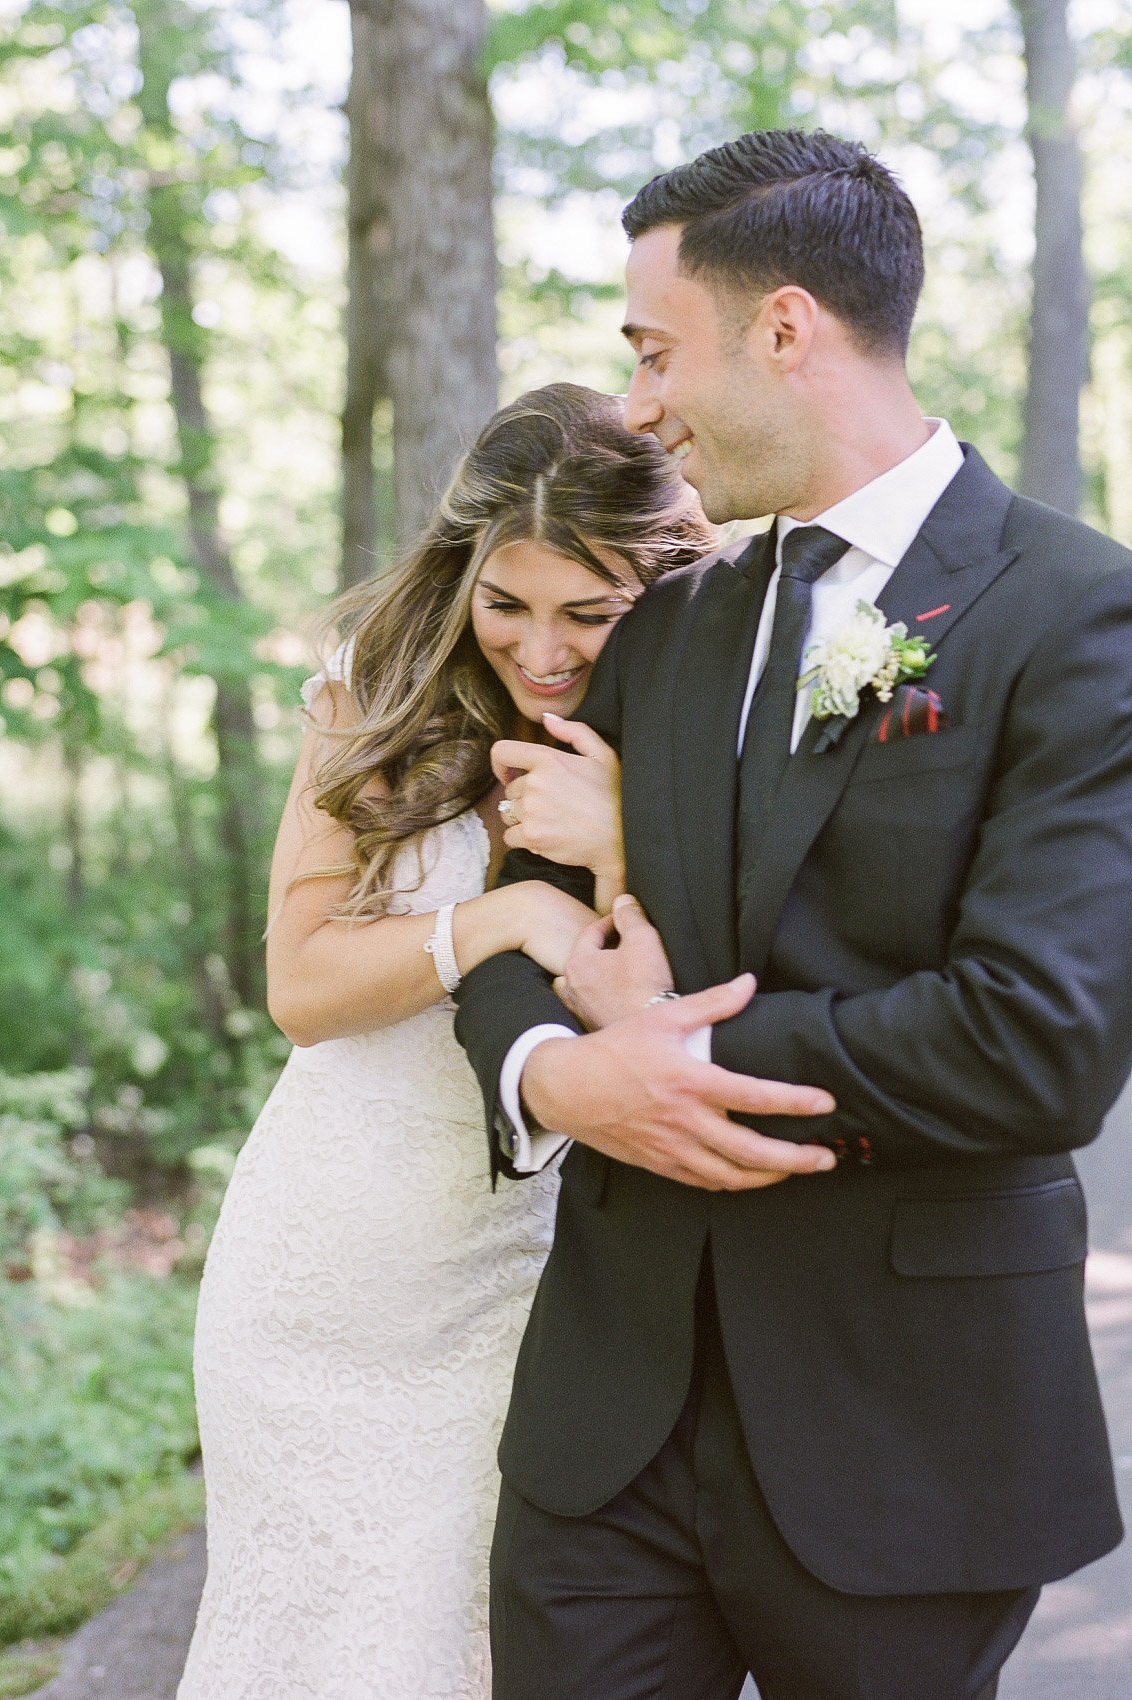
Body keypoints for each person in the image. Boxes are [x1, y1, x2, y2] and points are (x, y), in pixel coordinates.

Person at [455, 131, 1131, 1700]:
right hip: (602, 1432)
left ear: (782, 330)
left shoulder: (1076, 614)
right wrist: (556, 1078)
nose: (635, 406)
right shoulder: (675, 622)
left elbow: (1039, 1039)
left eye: (651, 350)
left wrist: (671, 1056)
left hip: (901, 1433)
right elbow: (524, 906)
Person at [176, 383, 719, 1700]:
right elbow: (301, 986)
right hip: (321, 1269)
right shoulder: (373, 690)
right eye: (506, 603)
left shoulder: (703, 702)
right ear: (460, 570)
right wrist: (493, 917)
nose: (540, 649)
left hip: (521, 1274)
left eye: (587, 611)